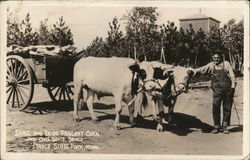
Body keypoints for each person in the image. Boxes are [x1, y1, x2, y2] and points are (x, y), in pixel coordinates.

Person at [194, 50, 236, 134]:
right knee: (215, 107)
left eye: (218, 58)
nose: (216, 60)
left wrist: (233, 86)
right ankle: (216, 126)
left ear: (221, 58)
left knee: (227, 108)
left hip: (228, 90)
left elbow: (232, 75)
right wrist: (194, 70)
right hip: (217, 90)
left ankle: (225, 127)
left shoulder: (226, 64)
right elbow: (203, 69)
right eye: (214, 58)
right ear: (212, 58)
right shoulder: (211, 65)